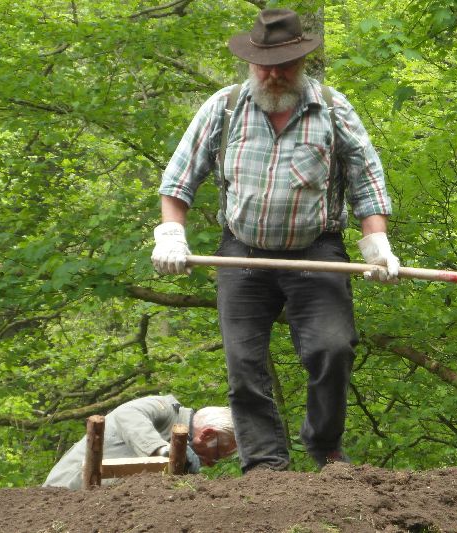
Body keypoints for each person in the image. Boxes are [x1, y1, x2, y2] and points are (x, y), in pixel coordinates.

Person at [151, 8, 399, 472]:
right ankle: (265, 464)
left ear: (301, 62)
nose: (273, 74)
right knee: (244, 364)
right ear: (251, 63)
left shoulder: (332, 108)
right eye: (264, 64)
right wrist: (171, 233)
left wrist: (377, 242)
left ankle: (324, 444)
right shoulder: (223, 109)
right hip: (241, 253)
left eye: (284, 64)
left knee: (333, 348)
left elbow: (369, 180)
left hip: (316, 251)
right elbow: (178, 180)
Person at [43, 395, 236, 489]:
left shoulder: (187, 462)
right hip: (65, 490)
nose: (211, 464)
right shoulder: (166, 410)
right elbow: (127, 414)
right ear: (208, 435)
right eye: (217, 455)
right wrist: (161, 450)